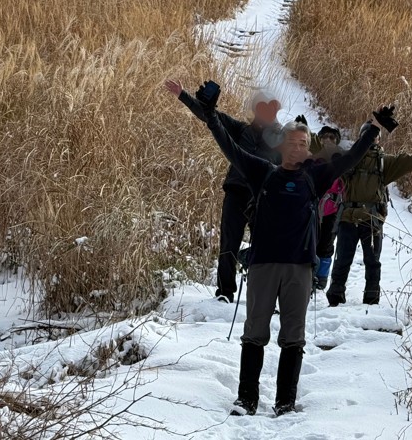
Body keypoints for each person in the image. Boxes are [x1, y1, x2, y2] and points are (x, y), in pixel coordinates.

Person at [192, 79, 386, 417]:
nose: (299, 148)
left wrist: (373, 131)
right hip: (264, 266)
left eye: (304, 144)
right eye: (293, 143)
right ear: (282, 147)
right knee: (254, 333)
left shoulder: (316, 177)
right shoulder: (261, 172)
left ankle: (285, 403)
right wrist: (210, 115)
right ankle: (246, 399)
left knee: (293, 338)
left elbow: (350, 158)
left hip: (299, 268)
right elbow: (228, 147)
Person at [164, 79, 282, 304]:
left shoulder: (282, 138)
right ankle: (225, 292)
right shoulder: (240, 129)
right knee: (229, 244)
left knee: (266, 247)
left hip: (263, 198)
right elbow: (210, 116)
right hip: (237, 193)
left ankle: (265, 295)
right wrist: (183, 95)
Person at [326, 106, 412, 307]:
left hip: (362, 218)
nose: (372, 140)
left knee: (360, 261)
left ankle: (350, 297)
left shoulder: (378, 162)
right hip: (359, 218)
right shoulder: (353, 160)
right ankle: (358, 298)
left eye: (372, 137)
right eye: (370, 136)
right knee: (357, 262)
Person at [313, 126, 344, 290]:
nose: (328, 140)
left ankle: (322, 276)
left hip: (333, 208)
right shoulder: (314, 158)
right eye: (324, 137)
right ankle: (310, 273)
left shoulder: (343, 159)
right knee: (311, 240)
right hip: (315, 207)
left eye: (332, 137)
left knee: (327, 243)